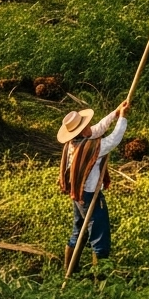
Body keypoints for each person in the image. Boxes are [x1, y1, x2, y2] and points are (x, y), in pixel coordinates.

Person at [57, 100, 131, 269]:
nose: (91, 125)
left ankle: (71, 269)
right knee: (100, 235)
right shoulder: (89, 148)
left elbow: (98, 129)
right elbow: (113, 140)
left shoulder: (75, 143)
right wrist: (123, 119)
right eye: (87, 125)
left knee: (79, 231)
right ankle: (101, 280)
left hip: (78, 194)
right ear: (82, 132)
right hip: (89, 195)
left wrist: (116, 112)